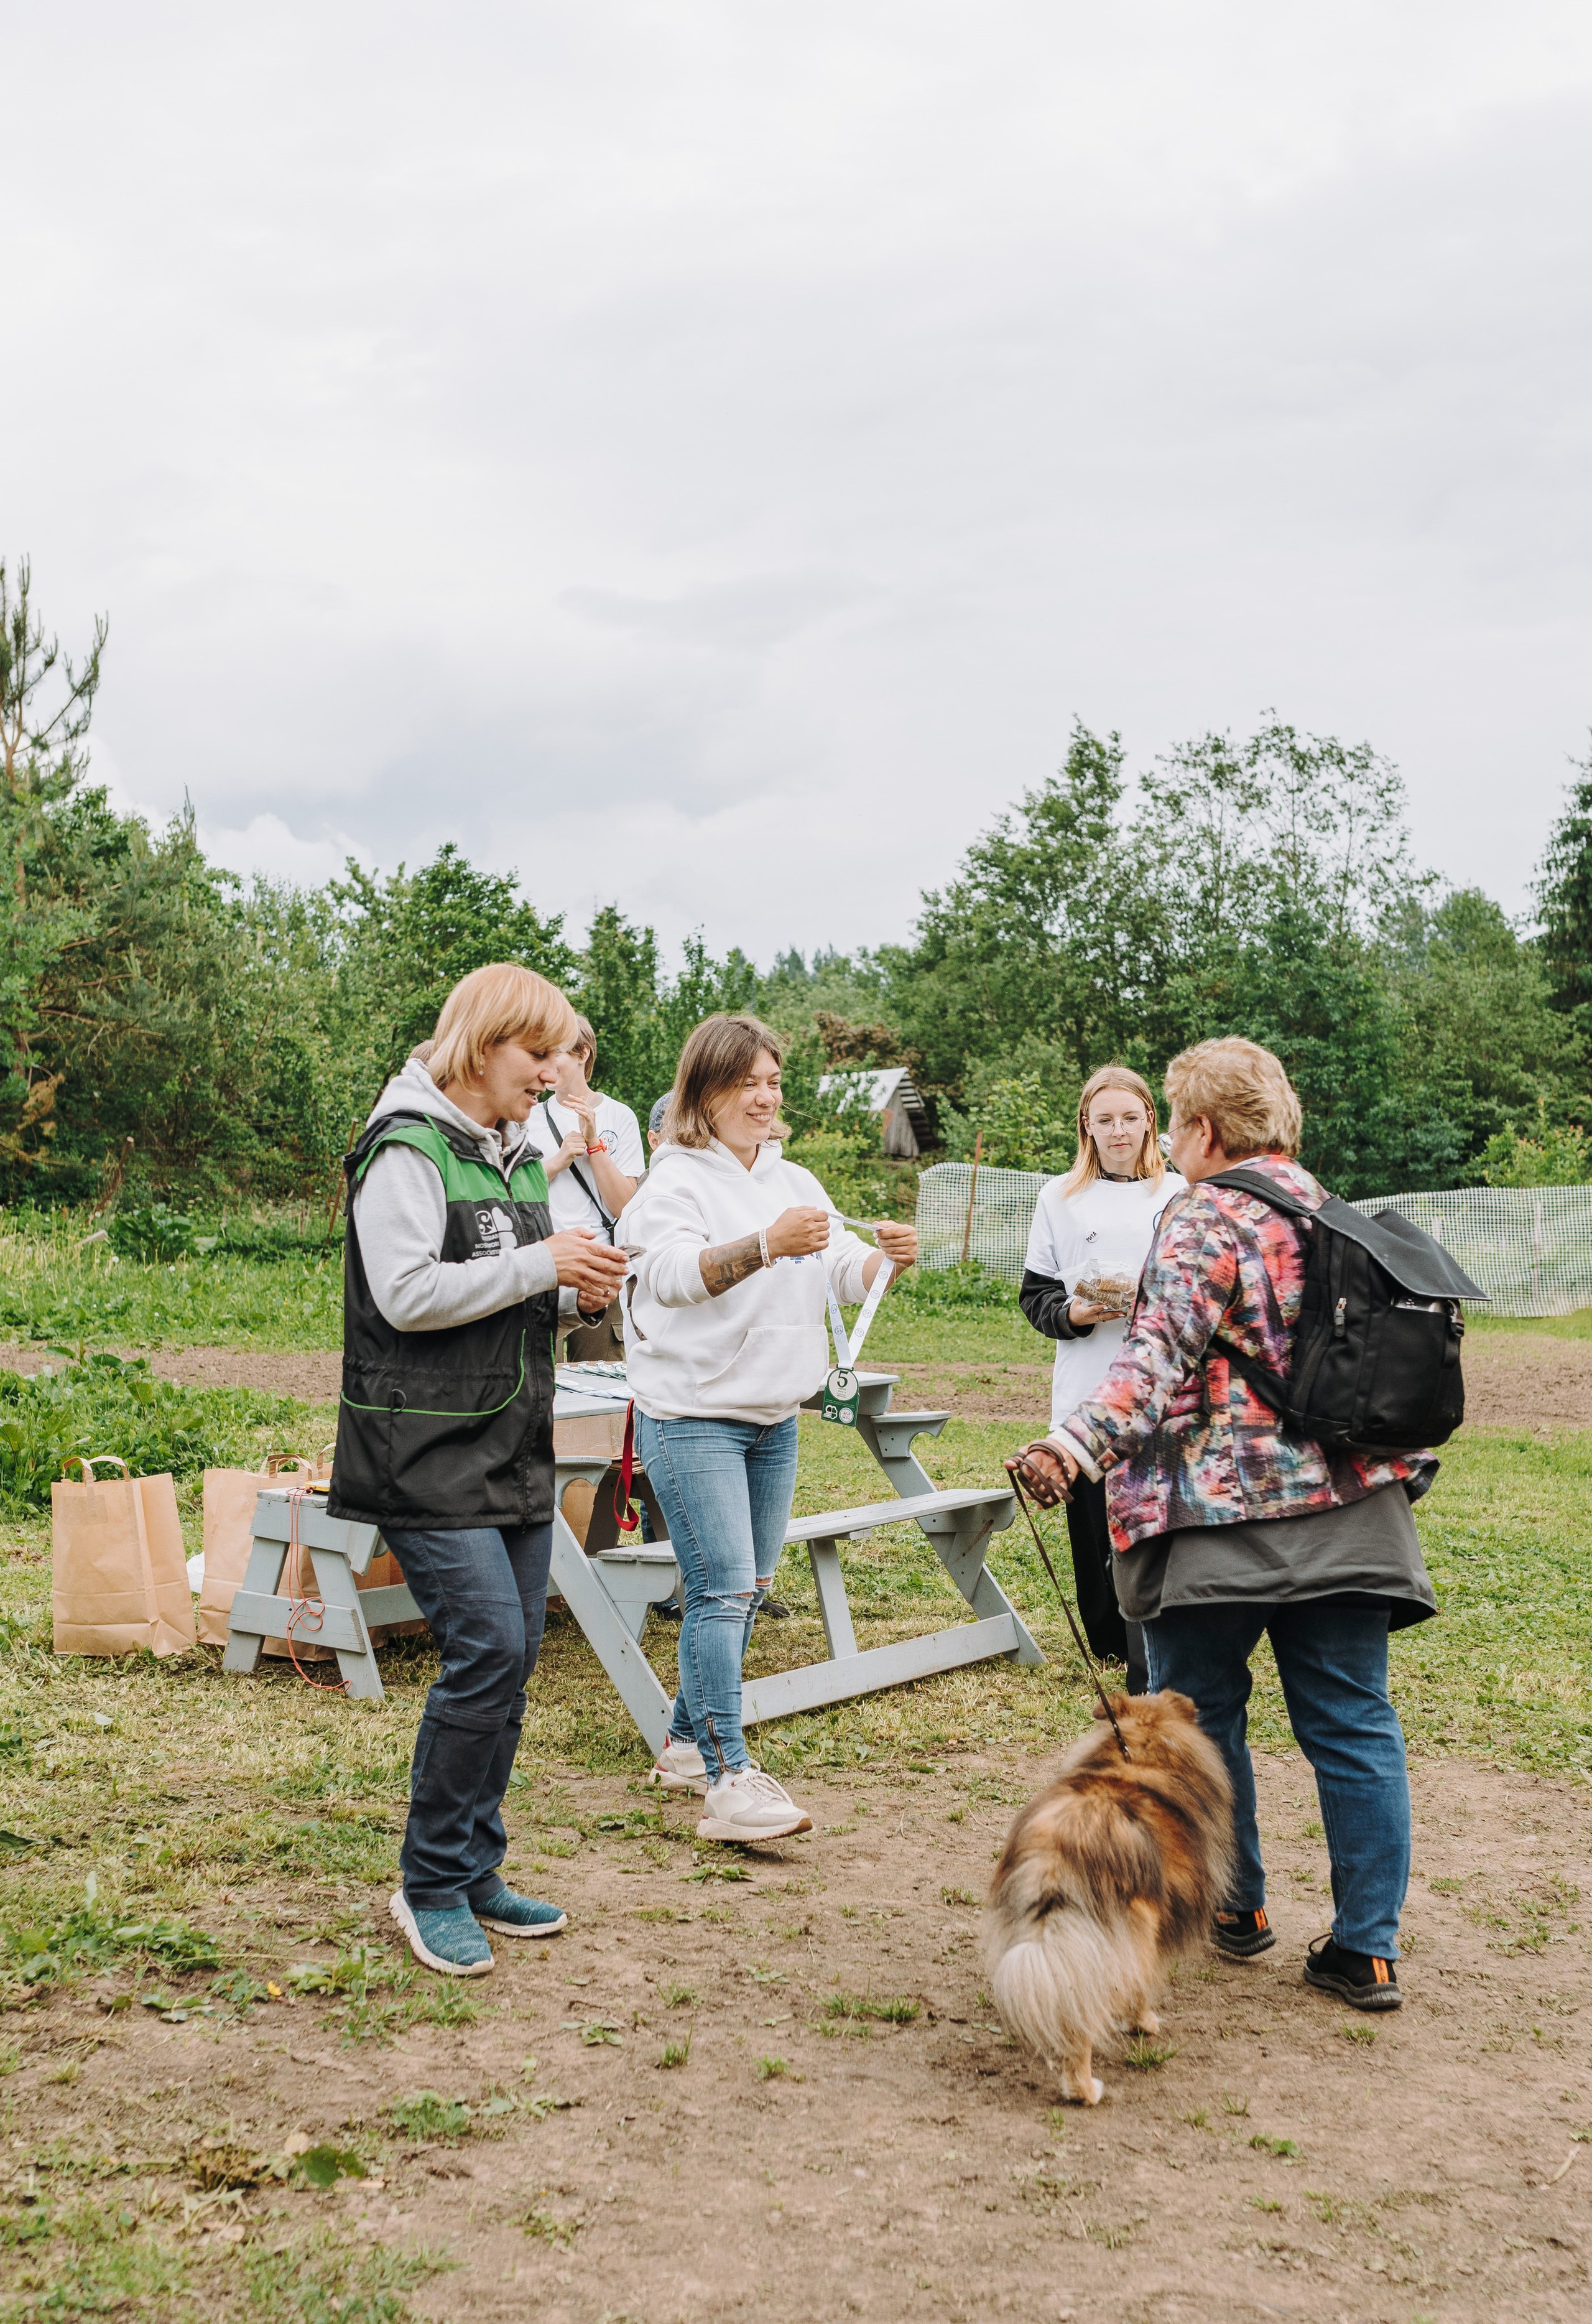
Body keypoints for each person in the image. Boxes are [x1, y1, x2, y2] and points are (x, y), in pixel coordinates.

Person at [1012, 1036, 1436, 2013]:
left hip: (1208, 1515)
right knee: (1354, 1723)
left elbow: (1149, 1365)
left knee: (1199, 1714)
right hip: (1349, 1512)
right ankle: (1368, 1949)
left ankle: (1236, 1908)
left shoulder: (1202, 1218)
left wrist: (1067, 1449)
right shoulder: (1338, 1214)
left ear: (1198, 1130)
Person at [328, 964, 629, 1976]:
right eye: (537, 1055)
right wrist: (547, 1265)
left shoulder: (508, 1153)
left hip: (511, 1447)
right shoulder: (404, 1147)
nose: (553, 1076)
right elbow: (409, 1293)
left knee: (515, 1659)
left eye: (556, 1057)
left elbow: (509, 1294)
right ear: (480, 1044)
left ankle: (472, 1867)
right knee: (487, 1648)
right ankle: (426, 1884)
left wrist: (580, 1296)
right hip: (421, 1450)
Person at [616, 1013, 918, 1840]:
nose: (763, 1096)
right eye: (745, 1082)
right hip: (692, 1420)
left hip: (773, 1416)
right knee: (720, 1591)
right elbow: (674, 1279)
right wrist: (763, 1244)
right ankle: (727, 1776)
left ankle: (683, 1747)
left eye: (772, 1081)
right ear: (704, 1092)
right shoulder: (670, 1186)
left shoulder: (796, 1180)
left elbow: (838, 1276)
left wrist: (884, 1258)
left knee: (743, 1593)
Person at [1019, 1066, 1184, 1694]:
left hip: (1163, 1393)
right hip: (1088, 1385)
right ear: (1085, 1126)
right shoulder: (1059, 1196)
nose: (1118, 1130)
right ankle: (1109, 1642)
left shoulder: (1180, 1191)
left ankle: (1164, 1630)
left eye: (1130, 1117)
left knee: (1158, 1518)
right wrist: (1074, 1314)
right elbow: (1035, 1295)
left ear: (1150, 1121)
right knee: (1094, 1524)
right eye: (1104, 1119)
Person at [534, 1016, 644, 1363]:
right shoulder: (528, 1116)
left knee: (601, 1392)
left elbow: (625, 1206)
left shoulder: (620, 1116)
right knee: (538, 1388)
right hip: (544, 1270)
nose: (546, 1066)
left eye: (556, 1054)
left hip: (602, 1273)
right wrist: (558, 1160)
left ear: (583, 1053)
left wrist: (595, 1145)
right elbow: (511, 1190)